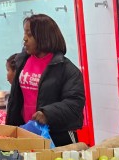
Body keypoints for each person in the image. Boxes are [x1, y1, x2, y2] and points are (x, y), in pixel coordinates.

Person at [6, 14, 85, 147]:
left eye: (29, 34)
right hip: (25, 134)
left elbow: (74, 104)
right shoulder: (21, 61)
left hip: (56, 137)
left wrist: (47, 114)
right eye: (24, 33)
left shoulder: (66, 69)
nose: (24, 39)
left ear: (43, 37)